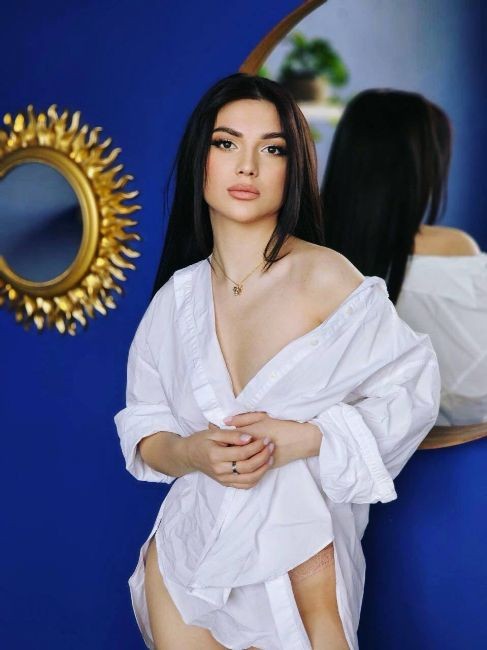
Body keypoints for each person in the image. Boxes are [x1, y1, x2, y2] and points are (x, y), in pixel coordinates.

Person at [114, 74, 440, 650]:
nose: (247, 166)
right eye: (226, 143)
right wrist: (193, 452)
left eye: (272, 149)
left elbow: (413, 390)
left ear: (293, 168)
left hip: (302, 566)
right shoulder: (176, 300)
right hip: (188, 560)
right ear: (200, 160)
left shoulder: (326, 277)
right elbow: (145, 427)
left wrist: (305, 439)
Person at [321, 89, 486, 426]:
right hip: (453, 447)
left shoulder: (302, 254)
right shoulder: (453, 250)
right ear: (423, 168)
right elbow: (476, 389)